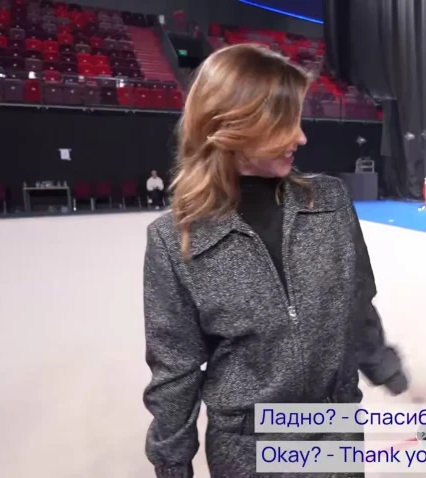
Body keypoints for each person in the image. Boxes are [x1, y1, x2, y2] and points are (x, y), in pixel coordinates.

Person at [142, 44, 412, 477]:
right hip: (247, 448)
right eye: (284, 124)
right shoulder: (174, 239)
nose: (300, 137)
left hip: (334, 429)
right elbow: (175, 368)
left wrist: (381, 364)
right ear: (232, 125)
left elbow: (356, 302)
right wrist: (172, 463)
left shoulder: (330, 202)